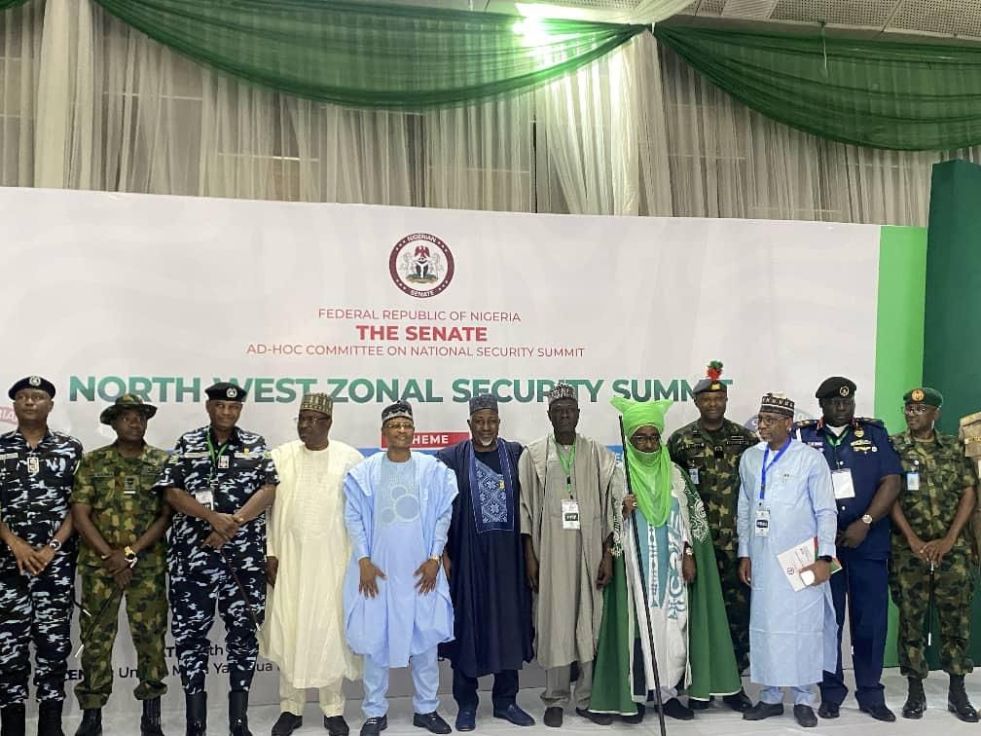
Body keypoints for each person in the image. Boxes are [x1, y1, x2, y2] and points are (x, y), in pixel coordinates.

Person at [591, 396, 742, 722]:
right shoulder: (619, 475)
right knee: (638, 631)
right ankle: (636, 698)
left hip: (673, 571)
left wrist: (689, 555)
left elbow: (691, 524)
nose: (648, 444)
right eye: (640, 438)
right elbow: (608, 530)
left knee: (673, 630)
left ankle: (669, 694)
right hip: (636, 573)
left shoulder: (674, 474)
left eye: (653, 437)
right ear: (630, 440)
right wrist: (621, 511)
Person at [155, 382, 278, 736]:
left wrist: (230, 524)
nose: (227, 412)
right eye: (221, 405)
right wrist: (211, 518)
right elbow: (172, 493)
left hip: (243, 561)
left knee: (244, 637)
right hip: (193, 561)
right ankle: (196, 723)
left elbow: (269, 490)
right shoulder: (188, 442)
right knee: (190, 638)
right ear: (209, 407)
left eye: (233, 407)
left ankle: (239, 721)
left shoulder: (255, 444)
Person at [343, 401, 457, 736]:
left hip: (422, 571)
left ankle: (426, 709)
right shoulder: (366, 472)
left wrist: (435, 558)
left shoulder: (431, 470)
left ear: (414, 431)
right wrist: (363, 560)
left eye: (407, 425)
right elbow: (353, 517)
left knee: (425, 643)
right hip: (378, 572)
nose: (402, 431)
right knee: (376, 641)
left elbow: (443, 516)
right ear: (384, 432)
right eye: (395, 426)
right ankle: (374, 712)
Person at [795, 376, 902, 721]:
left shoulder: (874, 434)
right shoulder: (803, 436)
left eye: (848, 401)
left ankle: (871, 692)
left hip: (868, 542)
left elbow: (892, 481)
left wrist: (865, 522)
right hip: (824, 546)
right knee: (828, 621)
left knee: (870, 621)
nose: (842, 407)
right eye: (835, 402)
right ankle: (830, 692)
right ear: (822, 405)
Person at [518, 383, 622, 728]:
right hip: (550, 552)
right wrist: (530, 557)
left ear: (578, 414)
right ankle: (555, 697)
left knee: (589, 621)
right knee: (556, 622)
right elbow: (525, 510)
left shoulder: (597, 454)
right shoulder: (534, 455)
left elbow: (611, 506)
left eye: (570, 410)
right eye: (558, 411)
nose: (565, 415)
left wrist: (608, 555)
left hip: (590, 549)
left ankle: (587, 697)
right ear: (549, 415)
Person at [262, 394, 364, 736]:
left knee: (329, 634)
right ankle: (290, 708)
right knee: (291, 630)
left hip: (334, 564)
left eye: (312, 419)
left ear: (328, 423)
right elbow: (265, 511)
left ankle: (333, 710)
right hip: (289, 562)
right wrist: (269, 551)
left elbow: (361, 514)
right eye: (301, 419)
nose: (304, 426)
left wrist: (357, 561)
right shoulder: (281, 457)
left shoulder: (349, 458)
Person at [72, 395, 171, 736]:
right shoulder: (93, 461)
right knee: (96, 639)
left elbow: (166, 515)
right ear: (113, 423)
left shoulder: (161, 461)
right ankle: (92, 716)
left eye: (140, 417)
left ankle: (151, 717)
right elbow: (80, 513)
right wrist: (110, 557)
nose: (135, 422)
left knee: (151, 638)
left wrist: (128, 553)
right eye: (126, 417)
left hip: (147, 565)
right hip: (100, 568)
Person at [737, 393, 837, 729]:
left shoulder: (810, 459)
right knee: (765, 627)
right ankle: (770, 697)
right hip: (763, 558)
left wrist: (825, 557)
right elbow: (745, 507)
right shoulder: (750, 457)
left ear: (788, 423)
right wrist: (745, 552)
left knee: (802, 628)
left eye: (769, 420)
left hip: (801, 560)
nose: (762, 426)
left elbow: (826, 511)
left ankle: (804, 698)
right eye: (760, 419)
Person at [436, 395, 534, 731]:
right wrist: (443, 553)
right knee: (468, 629)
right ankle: (466, 704)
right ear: (469, 424)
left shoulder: (516, 454)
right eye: (479, 421)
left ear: (499, 422)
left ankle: (506, 701)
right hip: (468, 559)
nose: (486, 427)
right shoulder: (451, 458)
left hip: (509, 561)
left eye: (492, 421)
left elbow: (532, 503)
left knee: (509, 628)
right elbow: (438, 509)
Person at [667, 361, 756, 710]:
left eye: (719, 398)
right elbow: (671, 492)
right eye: (706, 399)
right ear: (696, 402)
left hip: (736, 545)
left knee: (736, 618)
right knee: (697, 615)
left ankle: (733, 686)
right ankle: (699, 684)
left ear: (726, 401)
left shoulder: (744, 439)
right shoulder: (681, 441)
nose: (713, 404)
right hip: (697, 545)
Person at [0, 376, 83, 736]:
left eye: (37, 397)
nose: (30, 402)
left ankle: (51, 726)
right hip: (8, 567)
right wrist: (13, 542)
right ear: (15, 405)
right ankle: (11, 726)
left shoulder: (70, 448)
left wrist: (52, 548)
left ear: (50, 404)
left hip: (55, 567)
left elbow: (79, 507)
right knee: (8, 650)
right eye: (23, 397)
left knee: (54, 648)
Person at [889, 387, 978, 721]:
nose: (912, 415)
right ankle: (915, 692)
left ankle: (958, 692)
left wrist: (950, 539)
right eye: (908, 409)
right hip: (908, 550)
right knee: (911, 620)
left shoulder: (955, 448)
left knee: (956, 620)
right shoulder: (894, 447)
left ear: (935, 414)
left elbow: (969, 493)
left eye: (920, 409)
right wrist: (912, 539)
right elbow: (890, 494)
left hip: (951, 550)